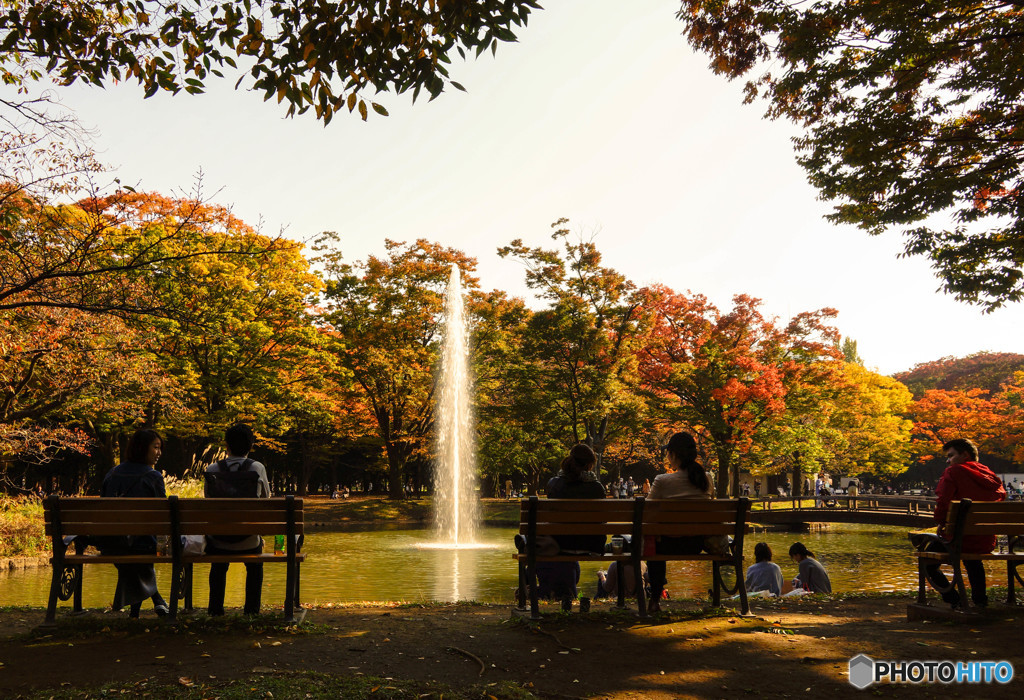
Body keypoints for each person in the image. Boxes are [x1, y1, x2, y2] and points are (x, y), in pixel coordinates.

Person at [925, 438, 1006, 609]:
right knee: (973, 559)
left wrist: (940, 522)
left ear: (965, 455)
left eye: (951, 455)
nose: (948, 460)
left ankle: (955, 600)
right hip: (985, 540)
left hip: (957, 539)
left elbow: (943, 502)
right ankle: (980, 600)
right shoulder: (991, 476)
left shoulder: (954, 472)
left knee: (927, 562)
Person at [99, 428, 169, 618]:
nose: (159, 453)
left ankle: (144, 608)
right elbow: (164, 516)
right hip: (144, 545)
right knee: (143, 545)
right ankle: (157, 601)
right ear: (141, 448)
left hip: (111, 545)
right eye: (156, 447)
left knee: (133, 548)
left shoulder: (112, 474)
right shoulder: (153, 477)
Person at [204, 423, 271, 616]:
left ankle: (215, 610)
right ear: (250, 445)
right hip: (249, 540)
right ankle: (251, 611)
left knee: (218, 564)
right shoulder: (257, 468)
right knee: (255, 565)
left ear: (227, 445)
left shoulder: (212, 469)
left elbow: (209, 503)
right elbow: (265, 502)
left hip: (218, 541)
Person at [646, 431, 713, 612]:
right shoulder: (707, 479)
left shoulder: (662, 480)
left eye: (668, 453)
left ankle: (654, 599)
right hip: (695, 544)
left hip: (666, 544)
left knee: (654, 542)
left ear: (673, 454)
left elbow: (646, 512)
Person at [535, 444, 607, 608]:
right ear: (589, 465)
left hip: (559, 545)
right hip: (592, 545)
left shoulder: (554, 484)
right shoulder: (597, 488)